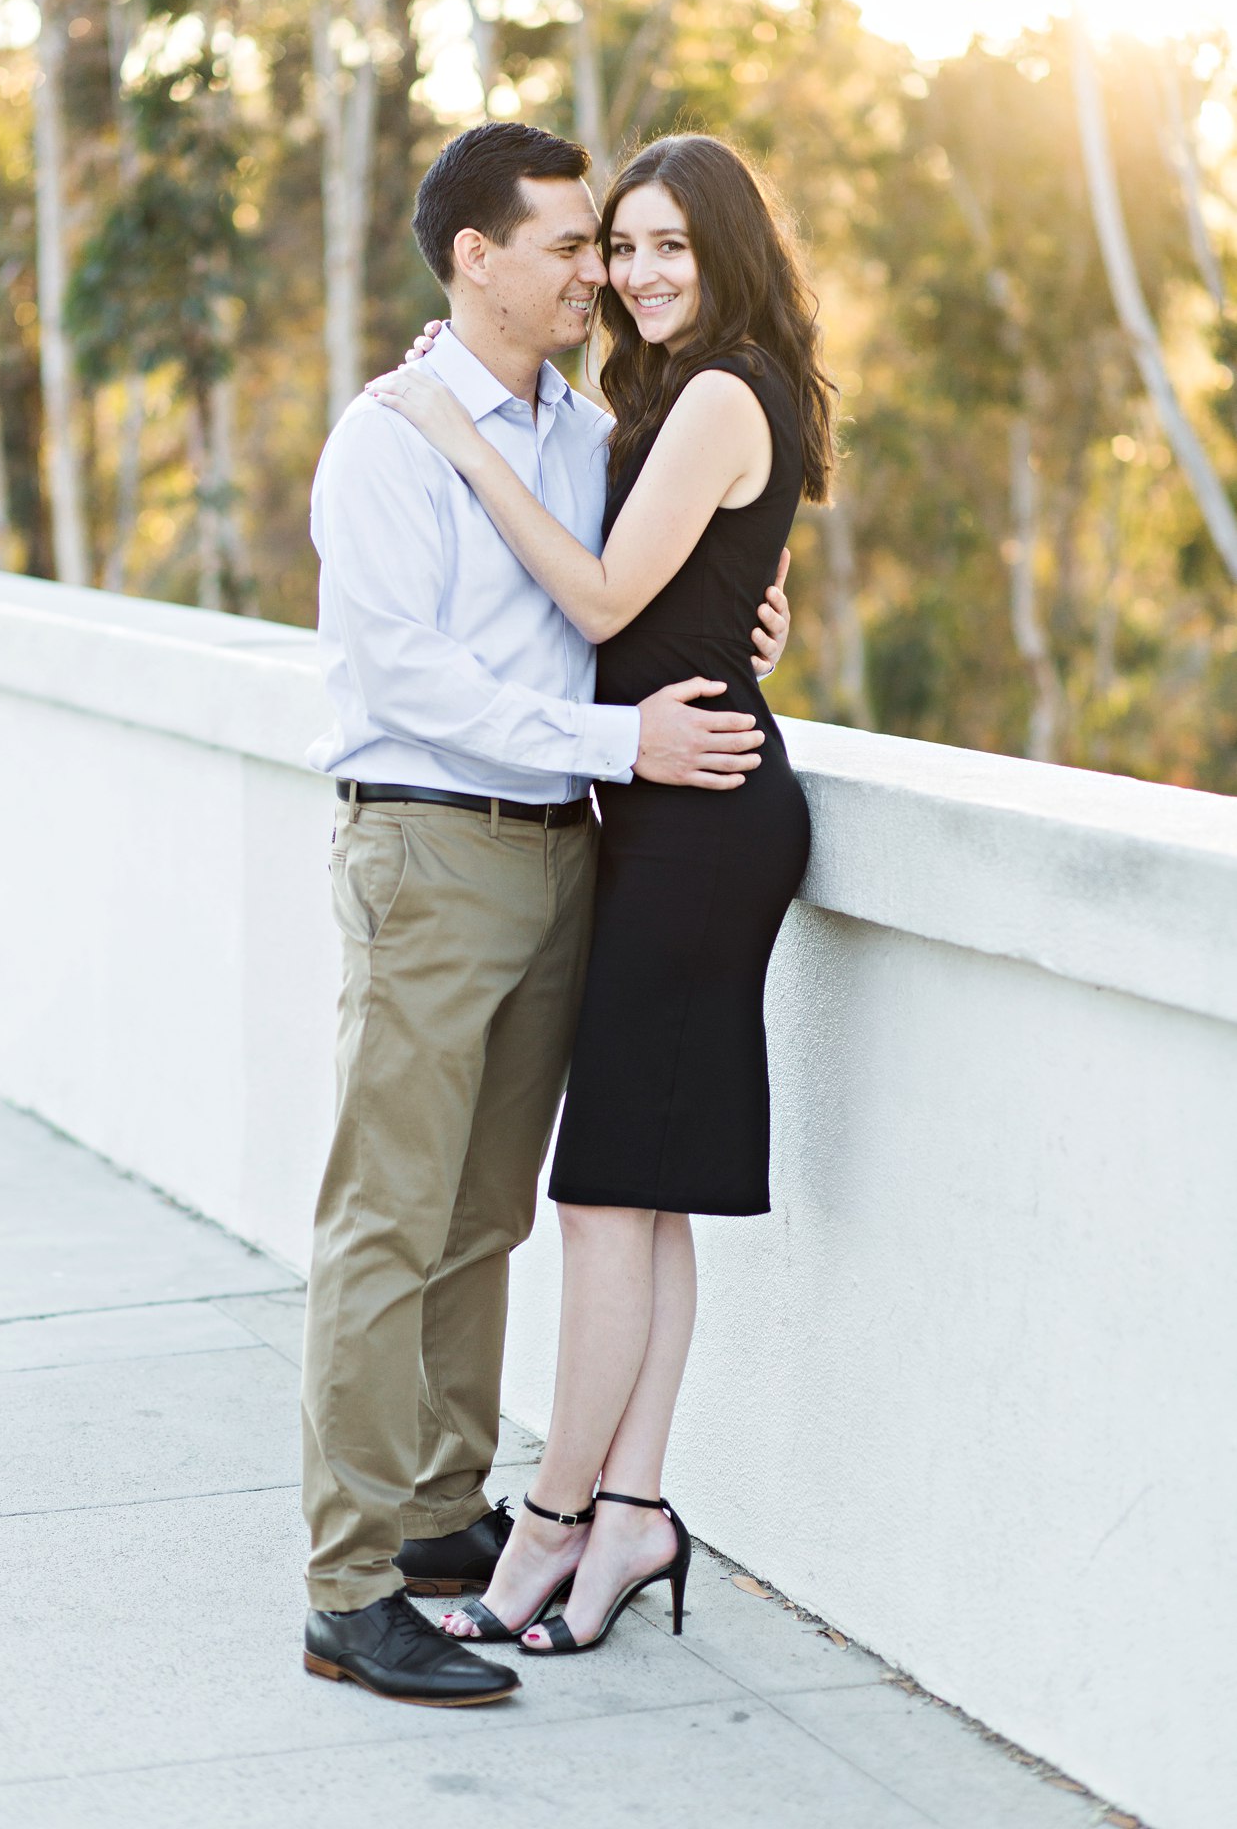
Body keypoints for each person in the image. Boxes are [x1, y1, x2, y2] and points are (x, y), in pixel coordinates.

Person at [300, 122, 792, 1707]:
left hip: (571, 851)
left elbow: (636, 588)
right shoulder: (391, 435)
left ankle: (445, 1518)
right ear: (475, 259)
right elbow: (408, 677)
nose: (602, 270)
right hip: (431, 850)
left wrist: (745, 611)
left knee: (488, 1217)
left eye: (622, 243)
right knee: (389, 1222)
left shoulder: (584, 429)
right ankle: (351, 1583)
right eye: (576, 244)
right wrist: (618, 739)